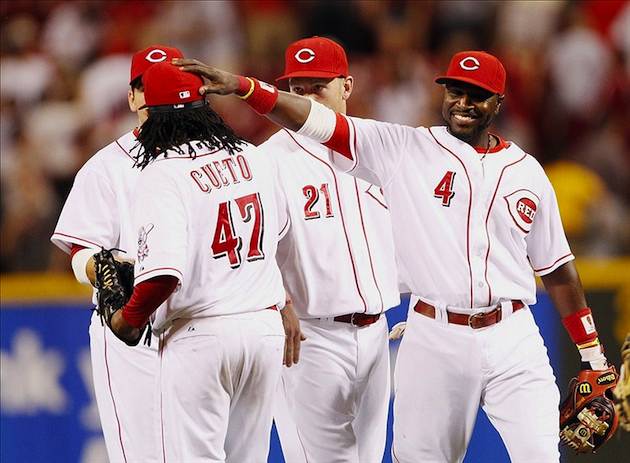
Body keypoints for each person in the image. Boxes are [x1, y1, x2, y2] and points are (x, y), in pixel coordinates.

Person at [175, 50, 616, 462]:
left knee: (541, 455)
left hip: (514, 335)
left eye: (476, 95)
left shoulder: (528, 172)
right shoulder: (405, 147)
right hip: (434, 335)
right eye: (454, 90)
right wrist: (245, 87)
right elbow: (322, 124)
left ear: (497, 102)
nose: (462, 102)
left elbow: (557, 268)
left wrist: (592, 353)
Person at [107, 61, 286, 462]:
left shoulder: (164, 172)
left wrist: (127, 319)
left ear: (153, 114)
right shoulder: (254, 155)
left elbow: (162, 277)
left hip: (201, 336)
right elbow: (279, 237)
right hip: (263, 329)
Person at [264, 37, 400, 463]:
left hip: (377, 334)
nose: (306, 98)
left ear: (347, 85)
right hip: (309, 337)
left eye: (317, 87)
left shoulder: (381, 149)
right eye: (297, 89)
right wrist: (275, 300)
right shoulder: (267, 162)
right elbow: (252, 253)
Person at [51, 44, 183, 463]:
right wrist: (102, 268)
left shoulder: (214, 157)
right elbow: (78, 251)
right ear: (131, 97)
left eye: (168, 84)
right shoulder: (106, 167)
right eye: (146, 86)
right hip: (133, 331)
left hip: (200, 326)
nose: (155, 96)